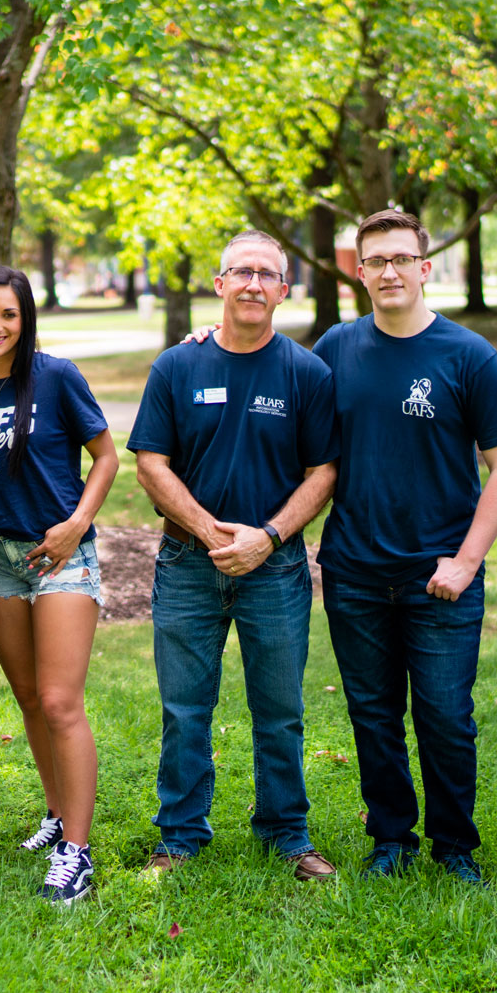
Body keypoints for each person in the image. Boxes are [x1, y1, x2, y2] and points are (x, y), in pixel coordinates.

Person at [310, 209, 497, 885]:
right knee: (372, 714)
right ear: (359, 271)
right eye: (375, 261)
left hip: (440, 574)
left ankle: (455, 848)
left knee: (444, 717)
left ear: (424, 268)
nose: (388, 272)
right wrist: (209, 336)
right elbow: (271, 385)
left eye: (401, 259)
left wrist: (465, 561)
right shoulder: (335, 349)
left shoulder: (467, 356)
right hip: (354, 570)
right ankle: (391, 839)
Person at [128, 230, 340, 881]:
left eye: (266, 273)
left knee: (279, 711)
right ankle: (181, 836)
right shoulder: (176, 367)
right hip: (186, 566)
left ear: (282, 289)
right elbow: (150, 464)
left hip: (273, 569)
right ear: (218, 285)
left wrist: (266, 538)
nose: (252, 283)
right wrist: (209, 531)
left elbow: (324, 471)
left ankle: (286, 833)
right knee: (183, 710)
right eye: (239, 272)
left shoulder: (306, 373)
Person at [0, 266, 119, 904]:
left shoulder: (55, 377)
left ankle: (77, 853)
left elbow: (106, 455)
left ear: (26, 320)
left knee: (59, 702)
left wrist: (78, 523)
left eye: (10, 314)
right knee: (27, 697)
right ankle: (56, 816)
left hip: (61, 554)